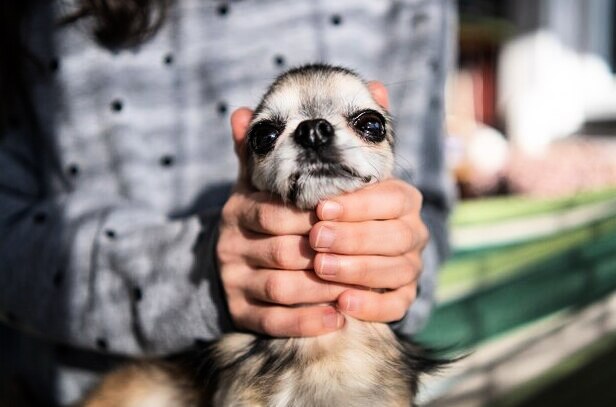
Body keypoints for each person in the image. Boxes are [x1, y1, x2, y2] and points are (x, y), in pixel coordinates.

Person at [0, 0, 456, 405]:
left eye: (367, 125)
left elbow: (427, 211)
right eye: (268, 134)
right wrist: (198, 273)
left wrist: (401, 255)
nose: (314, 133)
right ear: (244, 153)